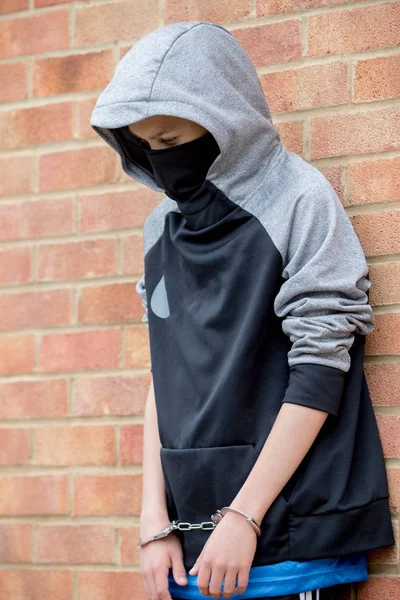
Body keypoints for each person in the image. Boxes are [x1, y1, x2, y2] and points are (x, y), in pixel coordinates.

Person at [90, 21, 395, 600]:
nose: (161, 161)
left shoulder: (298, 198)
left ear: (222, 119)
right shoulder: (161, 227)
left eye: (173, 142)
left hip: (290, 539)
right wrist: (154, 518)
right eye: (147, 146)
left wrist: (244, 516)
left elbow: (320, 366)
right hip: (191, 544)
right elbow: (166, 370)